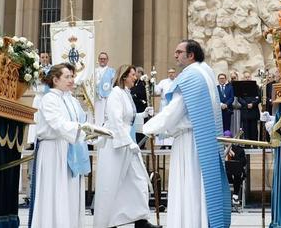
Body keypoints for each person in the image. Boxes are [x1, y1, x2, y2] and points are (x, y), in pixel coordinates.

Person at [142, 39, 231, 228]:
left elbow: (173, 112)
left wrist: (146, 127)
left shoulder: (189, 77)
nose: (175, 55)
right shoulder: (206, 72)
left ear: (190, 55)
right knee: (201, 188)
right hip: (205, 140)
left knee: (188, 187)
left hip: (189, 141)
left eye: (179, 52)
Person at [31, 63, 108, 228]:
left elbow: (82, 123)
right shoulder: (49, 99)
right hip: (53, 151)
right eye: (67, 77)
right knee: (56, 192)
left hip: (70, 149)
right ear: (55, 80)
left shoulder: (72, 100)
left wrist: (97, 134)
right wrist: (81, 130)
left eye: (72, 76)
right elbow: (57, 124)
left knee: (70, 193)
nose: (71, 80)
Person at [93, 65, 155, 228]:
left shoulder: (126, 94)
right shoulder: (115, 94)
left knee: (139, 179)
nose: (136, 78)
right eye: (133, 75)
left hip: (129, 140)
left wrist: (143, 115)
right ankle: (106, 222)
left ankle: (141, 219)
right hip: (117, 144)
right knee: (112, 182)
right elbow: (115, 120)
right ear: (124, 77)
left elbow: (130, 119)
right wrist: (126, 142)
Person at [94, 52, 113, 125]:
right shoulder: (94, 71)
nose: (102, 60)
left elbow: (112, 85)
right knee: (97, 117)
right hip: (96, 98)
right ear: (98, 60)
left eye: (104, 59)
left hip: (107, 98)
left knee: (105, 117)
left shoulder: (111, 71)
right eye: (101, 59)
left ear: (107, 60)